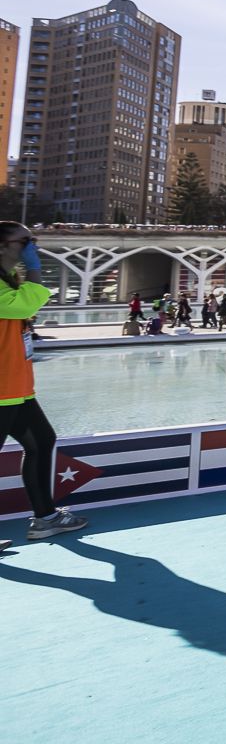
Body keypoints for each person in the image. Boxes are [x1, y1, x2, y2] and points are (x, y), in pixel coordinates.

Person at [1, 222, 89, 542]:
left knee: (42, 442)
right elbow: (30, 302)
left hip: (16, 388)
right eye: (25, 241)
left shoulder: (8, 282)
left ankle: (45, 518)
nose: (31, 246)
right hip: (2, 389)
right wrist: (35, 268)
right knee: (40, 442)